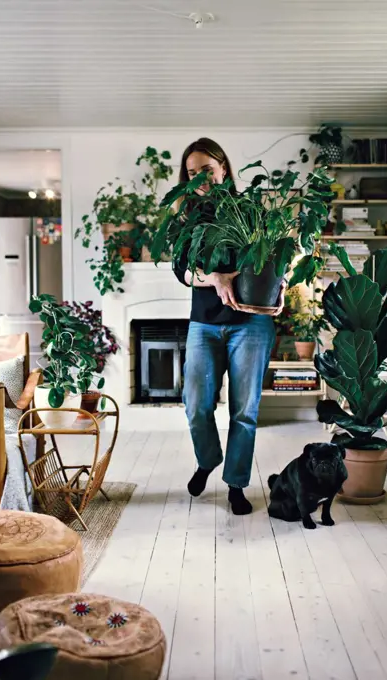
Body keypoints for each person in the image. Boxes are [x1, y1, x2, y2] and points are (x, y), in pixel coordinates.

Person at [173, 138, 285, 515]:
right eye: (192, 173)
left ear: (223, 167)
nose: (201, 178)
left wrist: (280, 285)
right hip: (204, 324)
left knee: (245, 411)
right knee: (195, 405)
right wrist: (215, 279)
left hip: (251, 322)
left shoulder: (249, 209)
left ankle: (236, 484)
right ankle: (207, 460)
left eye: (207, 169)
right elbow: (183, 272)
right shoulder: (187, 220)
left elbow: (271, 258)